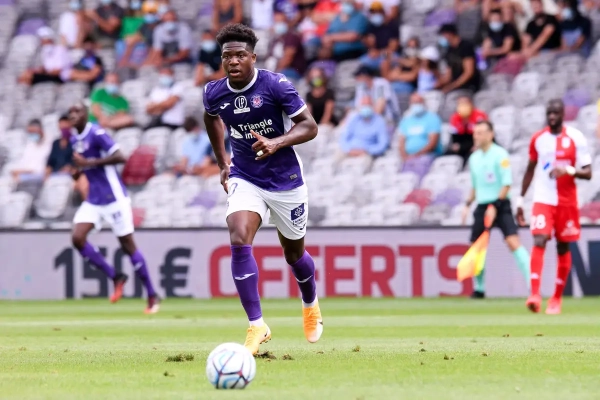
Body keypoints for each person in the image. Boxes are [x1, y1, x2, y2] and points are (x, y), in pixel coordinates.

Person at [203, 23, 321, 355]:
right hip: (245, 176)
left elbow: (310, 126)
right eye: (227, 56)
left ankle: (310, 302)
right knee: (238, 236)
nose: (233, 61)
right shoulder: (214, 92)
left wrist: (276, 142)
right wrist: (222, 162)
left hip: (285, 180)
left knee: (293, 254)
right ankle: (257, 325)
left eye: (240, 55)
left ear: (253, 57)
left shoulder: (275, 85)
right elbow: (211, 118)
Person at [68, 102, 159, 314]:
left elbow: (120, 156)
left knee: (128, 246)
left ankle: (152, 295)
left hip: (114, 198)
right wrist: (78, 172)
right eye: (70, 112)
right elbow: (85, 166)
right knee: (77, 238)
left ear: (86, 114)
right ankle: (116, 276)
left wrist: (88, 163)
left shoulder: (97, 133)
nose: (73, 115)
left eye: (77, 111)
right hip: (94, 199)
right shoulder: (74, 139)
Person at [516, 99, 592, 314]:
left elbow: (588, 173)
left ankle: (556, 298)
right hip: (543, 198)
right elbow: (530, 169)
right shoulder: (538, 139)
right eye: (549, 113)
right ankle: (534, 295)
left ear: (563, 114)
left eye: (555, 113)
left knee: (563, 247)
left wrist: (568, 170)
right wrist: (520, 200)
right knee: (539, 239)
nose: (552, 116)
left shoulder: (576, 137)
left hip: (567, 202)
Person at [462, 121, 530, 299]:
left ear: (490, 134)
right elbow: (475, 187)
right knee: (477, 247)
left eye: (480, 133)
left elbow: (507, 183)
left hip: (501, 204)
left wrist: (495, 206)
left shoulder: (500, 155)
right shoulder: (474, 158)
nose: (476, 136)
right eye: (475, 133)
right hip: (482, 205)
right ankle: (479, 289)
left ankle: (533, 285)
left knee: (513, 242)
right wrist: (467, 205)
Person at [437, 23, 480, 94]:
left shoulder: (466, 46)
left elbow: (469, 72)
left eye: (443, 35)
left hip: (468, 86)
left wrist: (452, 86)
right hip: (455, 86)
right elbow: (448, 75)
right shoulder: (449, 51)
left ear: (449, 34)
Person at [398, 93, 442, 161]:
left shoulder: (432, 118)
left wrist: (416, 156)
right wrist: (405, 157)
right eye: (414, 103)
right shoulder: (406, 120)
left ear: (423, 103)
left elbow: (432, 143)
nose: (416, 105)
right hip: (408, 157)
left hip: (427, 155)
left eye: (418, 102)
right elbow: (401, 142)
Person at [117, 1, 160, 68]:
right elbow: (136, 37)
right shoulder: (144, 25)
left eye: (151, 12)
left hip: (158, 55)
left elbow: (157, 47)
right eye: (147, 12)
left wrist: (147, 62)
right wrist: (125, 59)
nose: (149, 15)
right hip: (150, 51)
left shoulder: (160, 26)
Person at [267, 11, 307, 81]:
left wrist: (274, 74)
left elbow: (288, 58)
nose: (279, 24)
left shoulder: (292, 37)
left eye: (281, 21)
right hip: (276, 69)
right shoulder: (275, 40)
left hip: (291, 71)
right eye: (277, 22)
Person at [360, 1, 399, 71]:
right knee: (362, 62)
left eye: (378, 12)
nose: (376, 14)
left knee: (385, 62)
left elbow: (393, 47)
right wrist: (368, 45)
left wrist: (379, 53)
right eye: (373, 12)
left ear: (383, 12)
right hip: (375, 55)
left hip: (388, 54)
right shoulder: (371, 26)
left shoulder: (392, 25)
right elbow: (369, 48)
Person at [448, 96, 488, 166]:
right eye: (460, 103)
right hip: (463, 143)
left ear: (471, 104)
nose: (463, 106)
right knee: (448, 155)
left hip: (477, 141)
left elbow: (484, 135)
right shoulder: (455, 117)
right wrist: (456, 145)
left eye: (465, 103)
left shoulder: (479, 115)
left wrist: (478, 145)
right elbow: (454, 136)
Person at [146, 65, 185, 129]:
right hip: (157, 121)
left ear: (172, 75)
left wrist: (156, 106)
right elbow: (148, 109)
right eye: (162, 74)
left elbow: (169, 104)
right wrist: (163, 105)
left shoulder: (178, 87)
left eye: (166, 74)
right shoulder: (156, 89)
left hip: (173, 122)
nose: (164, 76)